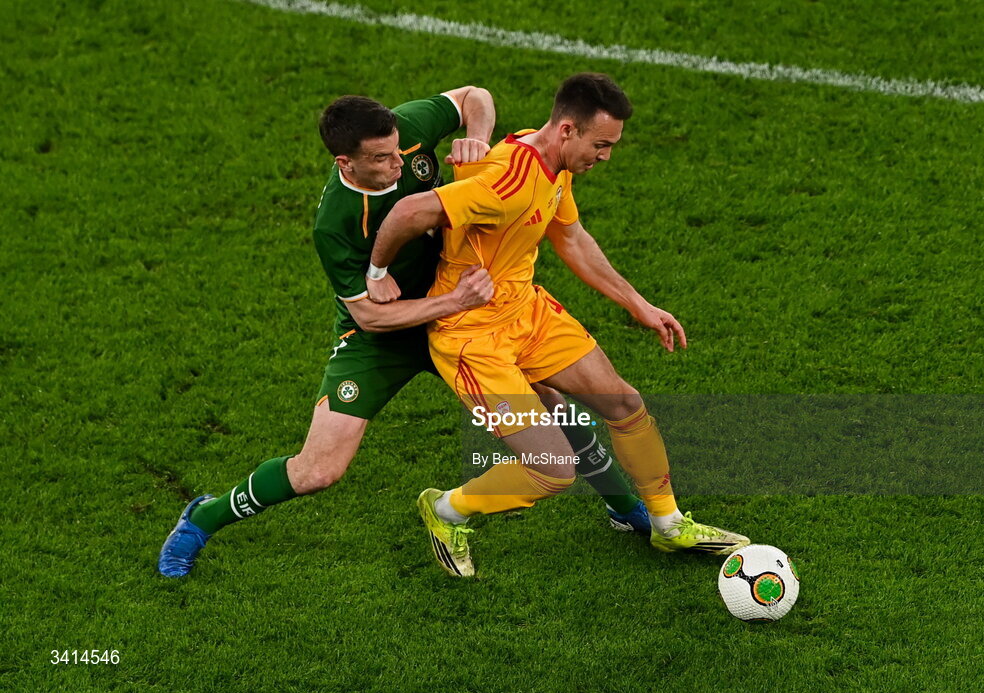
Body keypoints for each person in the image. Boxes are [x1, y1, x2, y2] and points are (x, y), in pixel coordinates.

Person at [158, 86, 650, 578]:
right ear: (344, 162)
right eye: (382, 159)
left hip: (467, 324)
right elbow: (371, 317)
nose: (400, 163)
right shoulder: (336, 225)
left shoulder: (401, 130)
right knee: (318, 470)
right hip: (385, 337)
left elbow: (473, 96)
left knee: (552, 410)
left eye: (399, 151)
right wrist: (451, 301)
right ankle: (203, 518)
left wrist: (476, 142)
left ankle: (627, 510)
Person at [366, 74, 750, 577]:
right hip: (471, 337)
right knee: (551, 471)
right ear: (568, 130)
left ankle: (668, 524)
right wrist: (376, 274)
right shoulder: (508, 181)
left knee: (626, 405)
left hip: (525, 310)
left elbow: (570, 238)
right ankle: (444, 510)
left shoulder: (553, 161)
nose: (606, 155)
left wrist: (638, 304)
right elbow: (411, 210)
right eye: (602, 144)